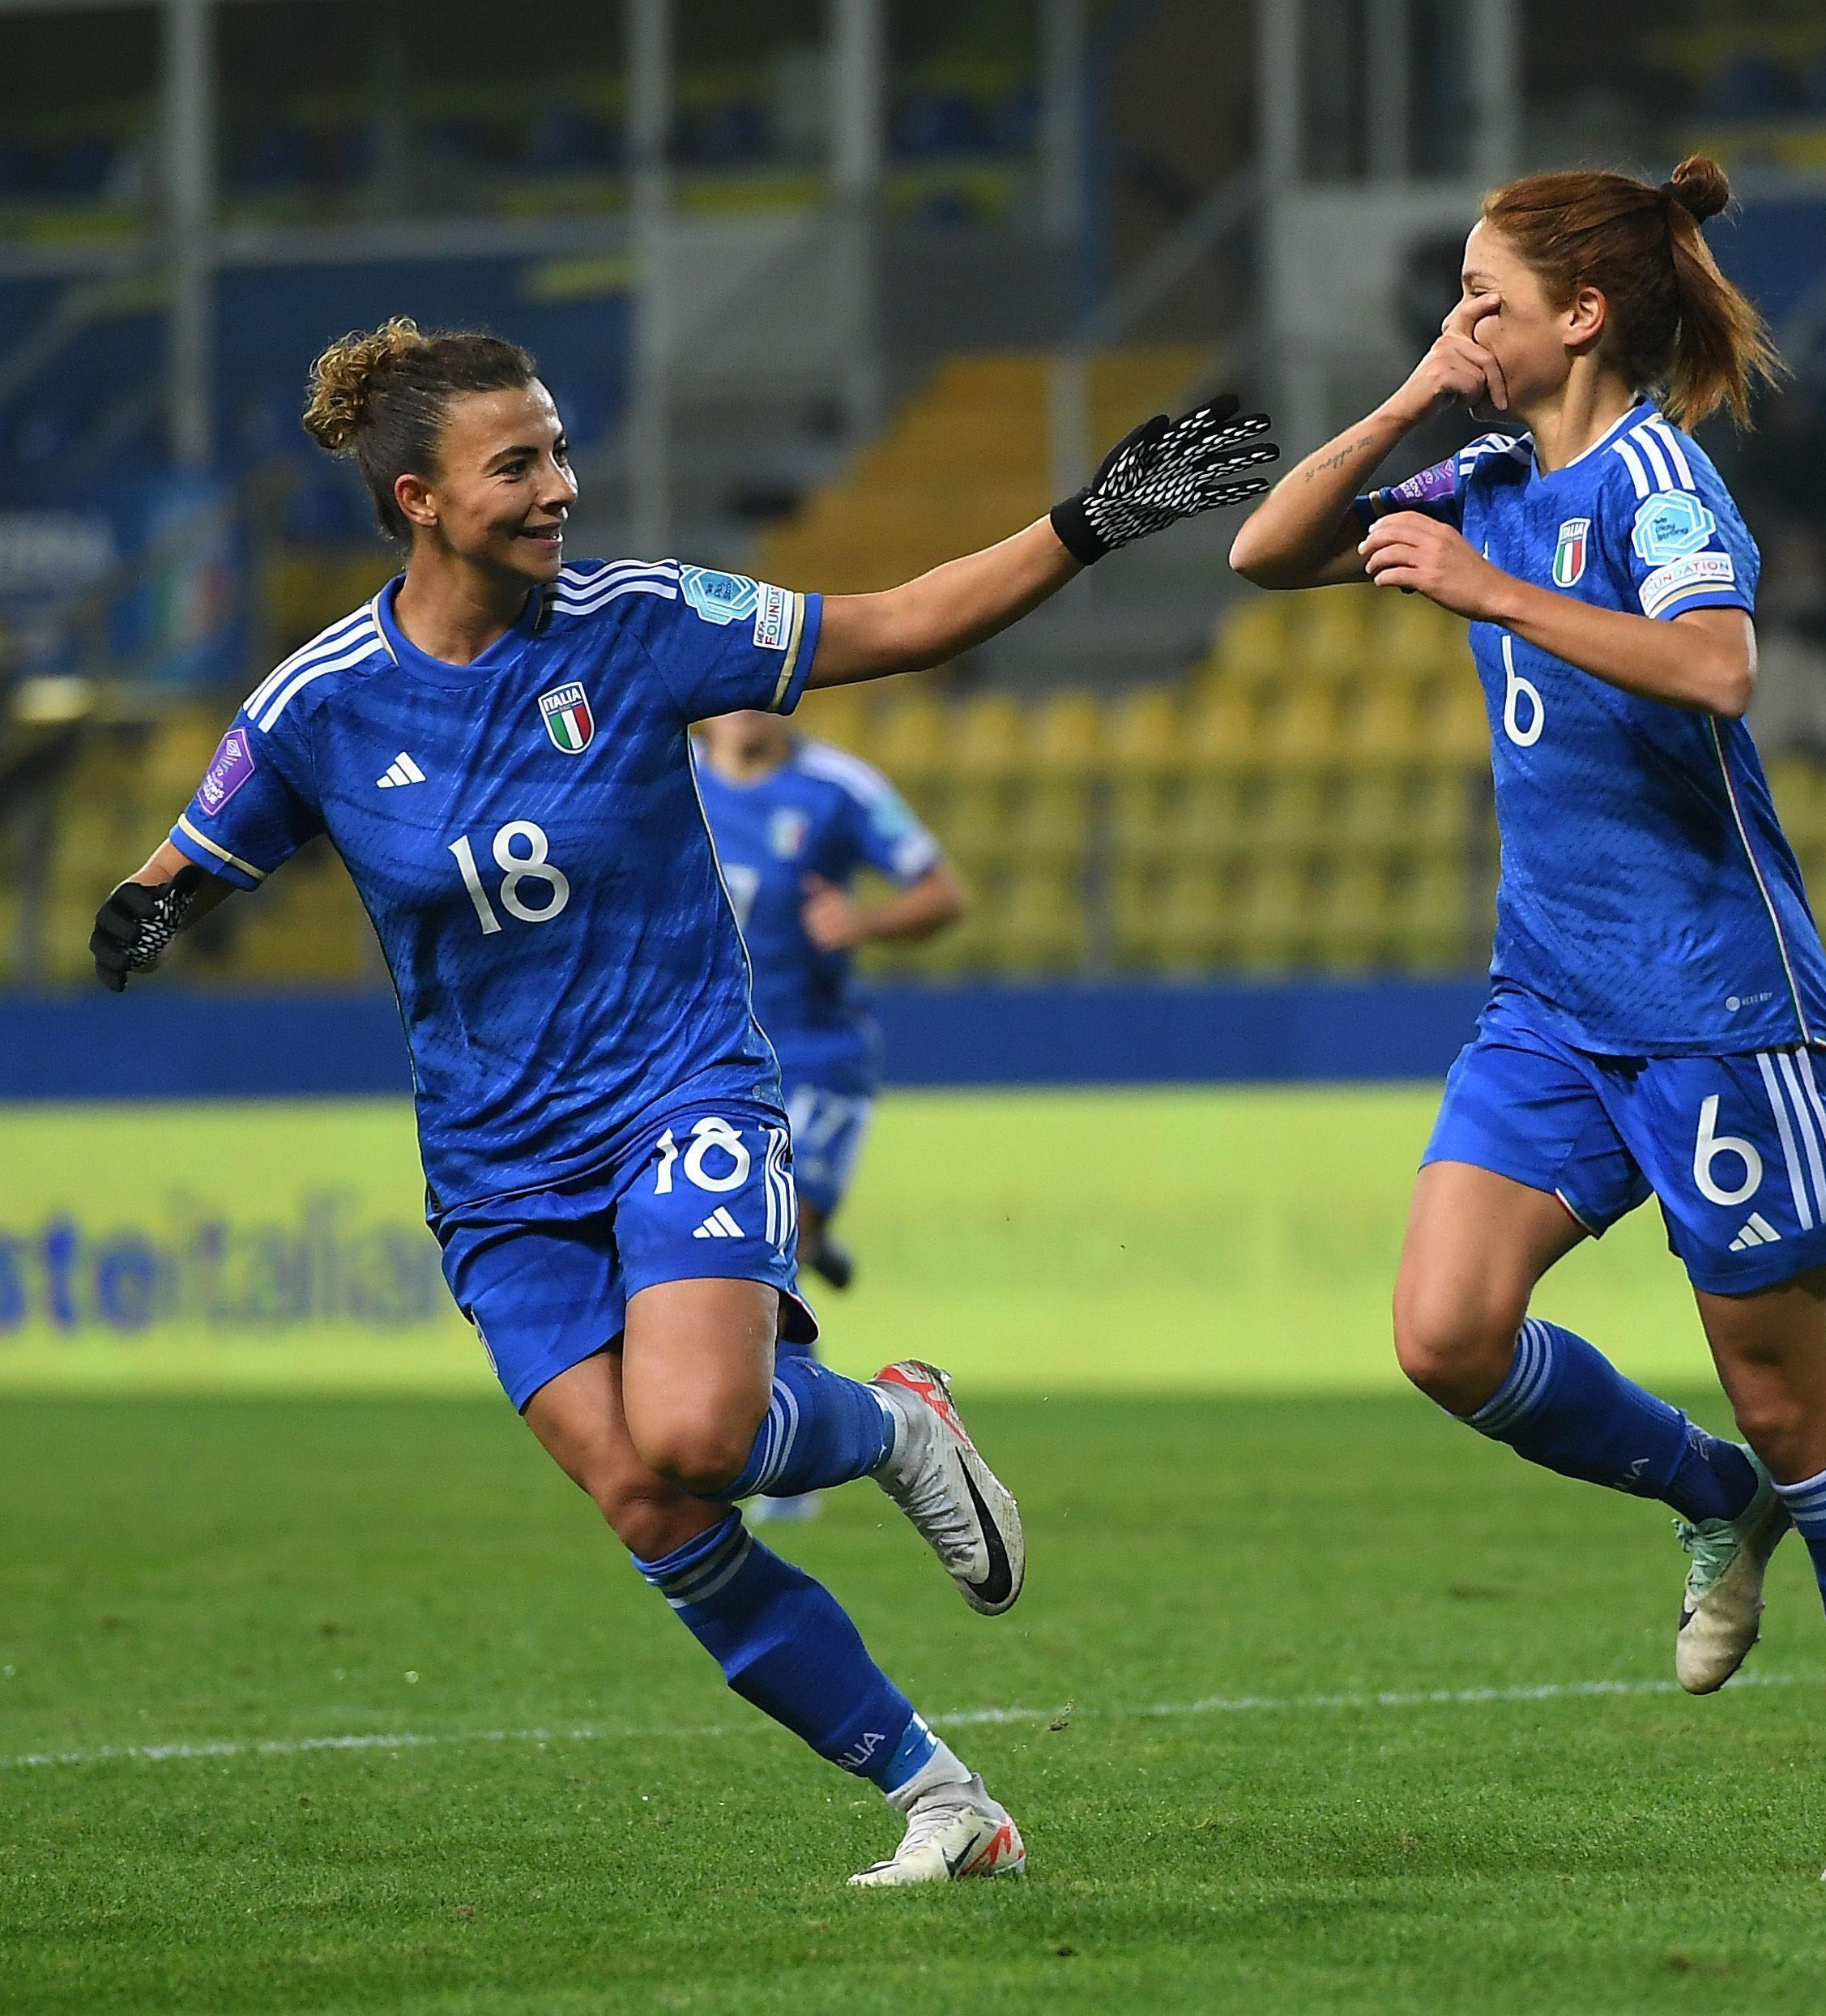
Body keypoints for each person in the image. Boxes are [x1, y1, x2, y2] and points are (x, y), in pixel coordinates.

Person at [89, 318, 1274, 1880]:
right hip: (497, 1177)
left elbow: (902, 619)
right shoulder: (318, 704)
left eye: (561, 448)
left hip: (680, 1092)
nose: (559, 486)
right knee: (654, 1505)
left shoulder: (642, 622)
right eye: (516, 463)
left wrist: (1086, 522)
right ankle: (945, 1801)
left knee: (702, 1431)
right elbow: (183, 861)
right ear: (416, 501)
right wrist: (148, 910)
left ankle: (891, 1425)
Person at [1229, 155, 1826, 1881]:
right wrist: (1422, 388)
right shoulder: (1484, 460)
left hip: (1720, 1005)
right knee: (1445, 1330)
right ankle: (1708, 1492)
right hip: (1553, 1001)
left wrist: (1488, 591)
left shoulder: (1662, 483)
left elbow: (1717, 668)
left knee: (1798, 1401)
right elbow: (1270, 550)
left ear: (1580, 315)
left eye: (1484, 300)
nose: (1459, 320)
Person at [694, 707, 968, 1520]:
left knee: (777, 1234)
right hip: (705, 1057)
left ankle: (790, 1469)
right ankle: (811, 1256)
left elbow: (943, 893)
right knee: (748, 1242)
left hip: (816, 1056)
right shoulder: (663, 774)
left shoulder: (839, 790)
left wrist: (865, 922)